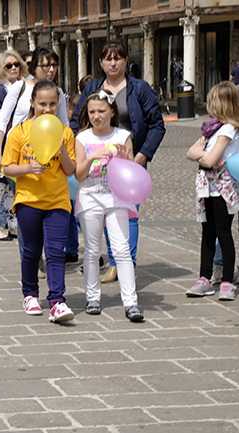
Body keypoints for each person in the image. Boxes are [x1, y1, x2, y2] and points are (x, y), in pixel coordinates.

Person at [70, 41, 165, 283]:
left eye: (118, 58)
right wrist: (81, 150)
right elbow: (76, 121)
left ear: (125, 61)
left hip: (128, 163)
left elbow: (157, 125)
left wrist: (141, 156)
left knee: (129, 213)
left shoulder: (139, 89)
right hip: (97, 164)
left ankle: (124, 263)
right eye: (108, 59)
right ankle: (115, 260)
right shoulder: (93, 87)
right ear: (101, 62)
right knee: (103, 212)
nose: (113, 63)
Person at [1, 80, 77, 324]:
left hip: (57, 202)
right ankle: (30, 294)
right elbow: (6, 167)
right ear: (33, 103)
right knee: (31, 251)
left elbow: (70, 170)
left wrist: (61, 150)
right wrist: (28, 168)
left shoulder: (65, 132)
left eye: (52, 104)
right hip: (29, 201)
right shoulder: (19, 132)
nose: (47, 109)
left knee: (55, 252)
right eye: (42, 103)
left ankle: (57, 301)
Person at [74, 89, 143, 321]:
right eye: (92, 112)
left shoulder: (122, 136)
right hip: (90, 196)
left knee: (121, 248)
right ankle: (92, 297)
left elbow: (131, 172)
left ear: (112, 112)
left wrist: (124, 160)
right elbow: (79, 175)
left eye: (101, 111)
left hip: (116, 197)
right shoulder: (83, 138)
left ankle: (130, 302)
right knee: (93, 250)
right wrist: (93, 157)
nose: (96, 116)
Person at [185, 82, 239, 300]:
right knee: (207, 233)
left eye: (211, 102)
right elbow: (191, 152)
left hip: (223, 190)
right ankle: (204, 278)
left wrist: (202, 155)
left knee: (223, 233)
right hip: (207, 188)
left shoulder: (228, 130)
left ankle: (227, 280)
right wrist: (202, 155)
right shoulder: (212, 129)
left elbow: (209, 159)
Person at [0, 50, 27, 240]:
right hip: (1, 144)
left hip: (16, 144)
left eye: (16, 64)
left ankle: (11, 223)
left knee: (10, 188)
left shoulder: (21, 87)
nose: (14, 68)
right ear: (0, 69)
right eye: (8, 65)